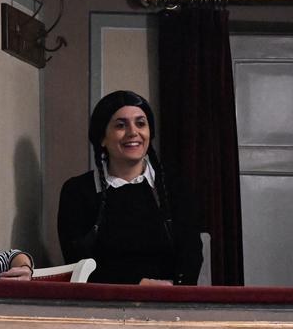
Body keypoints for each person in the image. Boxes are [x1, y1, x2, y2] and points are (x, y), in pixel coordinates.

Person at [57, 90, 202, 285]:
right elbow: (76, 263)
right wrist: (136, 285)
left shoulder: (176, 188)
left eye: (140, 123)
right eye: (120, 125)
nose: (133, 132)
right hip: (102, 306)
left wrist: (172, 288)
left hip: (168, 303)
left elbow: (191, 256)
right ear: (102, 138)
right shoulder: (77, 192)